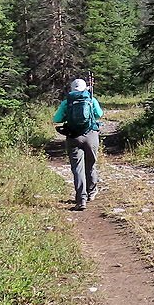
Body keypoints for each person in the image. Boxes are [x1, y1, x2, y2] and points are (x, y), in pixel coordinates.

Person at [55, 78, 103, 210]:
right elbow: (99, 114)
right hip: (91, 136)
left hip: (73, 137)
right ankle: (91, 192)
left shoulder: (67, 102)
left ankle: (81, 199)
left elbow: (56, 119)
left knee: (77, 168)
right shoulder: (91, 99)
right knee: (91, 165)